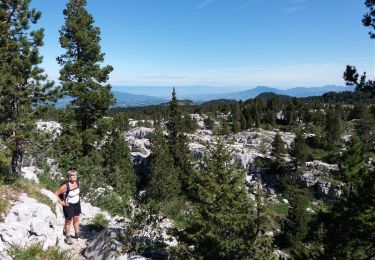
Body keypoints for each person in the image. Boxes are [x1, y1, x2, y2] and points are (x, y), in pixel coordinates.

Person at [55, 169, 81, 245]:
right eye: (72, 175)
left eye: (75, 175)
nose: (74, 176)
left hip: (77, 203)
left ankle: (77, 233)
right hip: (69, 204)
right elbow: (56, 193)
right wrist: (62, 202)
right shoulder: (65, 186)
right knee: (68, 220)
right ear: (69, 177)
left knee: (76, 219)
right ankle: (68, 236)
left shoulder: (77, 182)